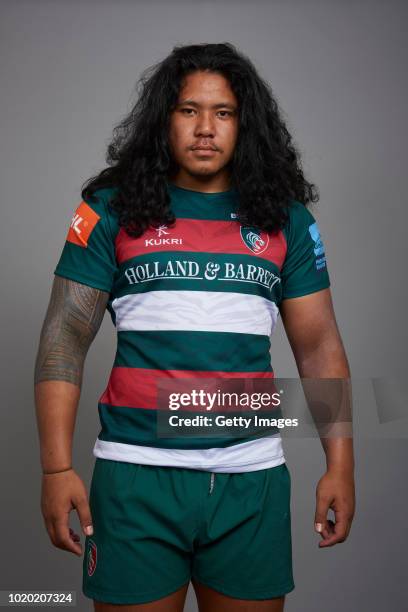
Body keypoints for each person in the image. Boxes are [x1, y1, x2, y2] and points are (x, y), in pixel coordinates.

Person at [34, 42, 355, 612]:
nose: (205, 129)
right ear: (164, 119)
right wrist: (56, 468)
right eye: (188, 110)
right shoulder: (110, 210)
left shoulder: (284, 220)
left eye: (223, 113)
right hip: (136, 477)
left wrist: (340, 466)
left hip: (250, 480)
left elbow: (320, 349)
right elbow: (64, 339)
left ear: (243, 123)